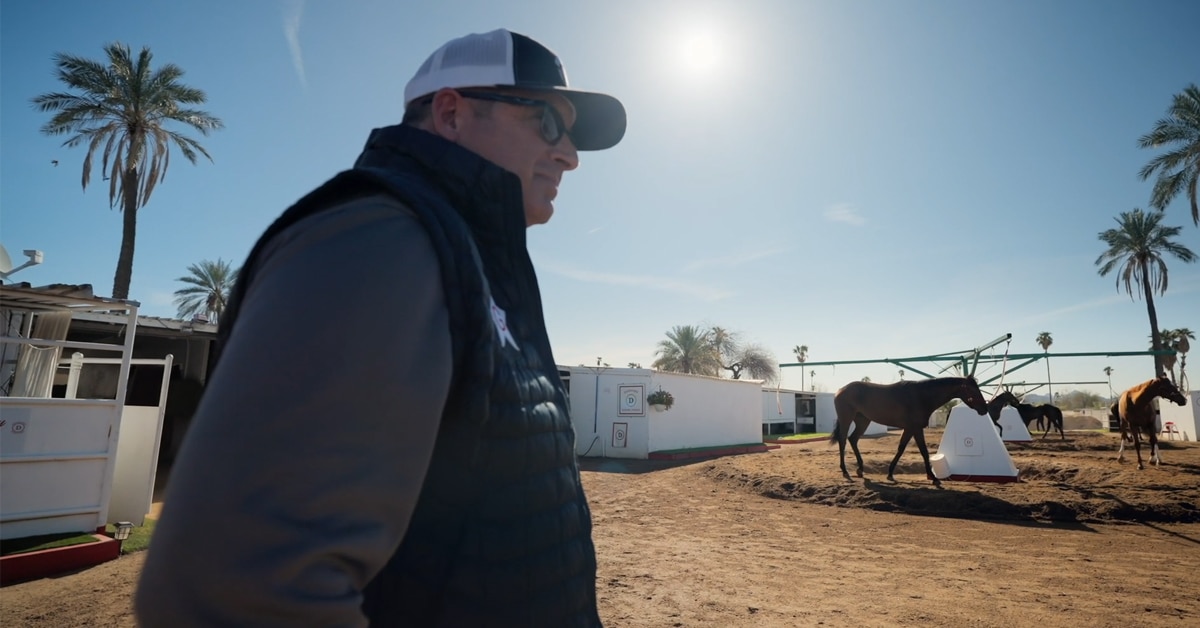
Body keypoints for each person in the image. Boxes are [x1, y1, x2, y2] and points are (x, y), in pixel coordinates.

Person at [135, 28, 625, 627]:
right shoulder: (381, 239)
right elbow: (234, 583)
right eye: (549, 122)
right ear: (450, 112)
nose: (570, 154)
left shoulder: (469, 258)